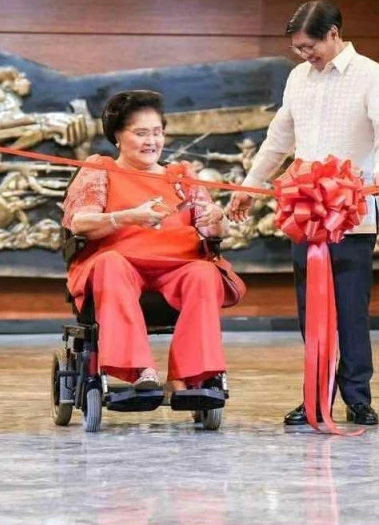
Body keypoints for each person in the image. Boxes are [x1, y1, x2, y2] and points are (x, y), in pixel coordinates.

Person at [228, 0, 379, 426]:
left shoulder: (372, 75)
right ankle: (315, 396)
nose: (305, 55)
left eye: (310, 46)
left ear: (333, 34)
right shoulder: (297, 78)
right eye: (298, 49)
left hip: (350, 216)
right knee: (311, 310)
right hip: (304, 215)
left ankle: (357, 397)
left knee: (350, 311)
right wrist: (248, 186)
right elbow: (278, 138)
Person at [61, 90, 245, 390]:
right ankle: (141, 370)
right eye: (141, 133)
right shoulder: (99, 170)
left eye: (157, 133)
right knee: (110, 263)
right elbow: (79, 223)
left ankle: (186, 378)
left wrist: (215, 219)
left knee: (204, 272)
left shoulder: (181, 175)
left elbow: (211, 232)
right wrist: (127, 217)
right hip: (120, 264)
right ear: (118, 136)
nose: (152, 141)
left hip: (178, 265)